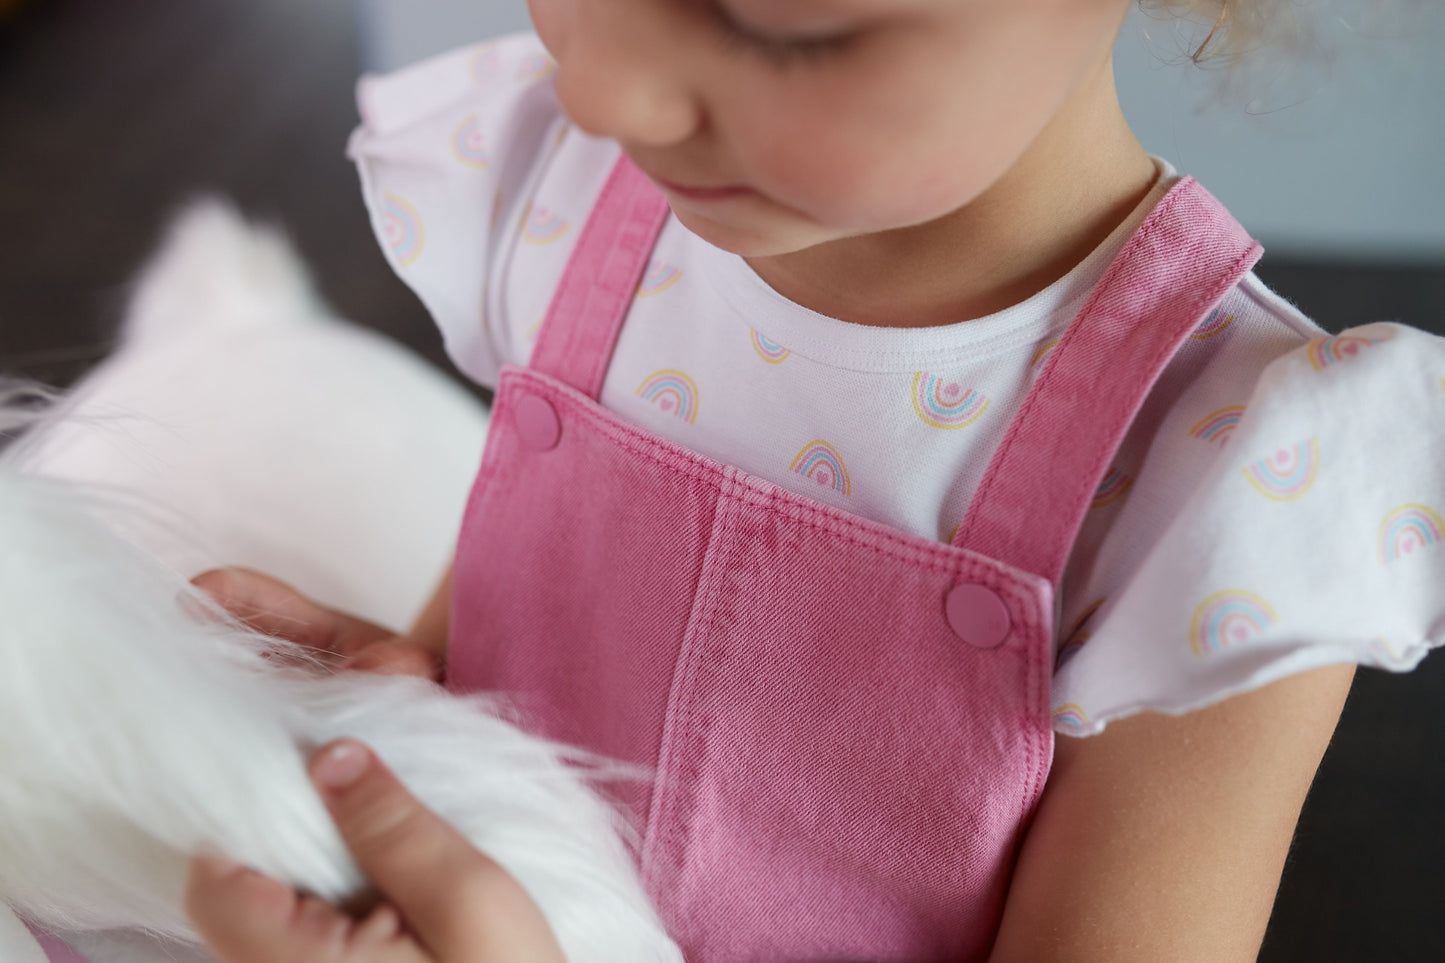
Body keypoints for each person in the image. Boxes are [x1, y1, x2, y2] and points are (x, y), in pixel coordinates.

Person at [186, 0, 1443, 960]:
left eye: (782, 23)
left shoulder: (1215, 479)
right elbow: (509, 625)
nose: (604, 88)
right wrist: (411, 722)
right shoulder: (563, 208)